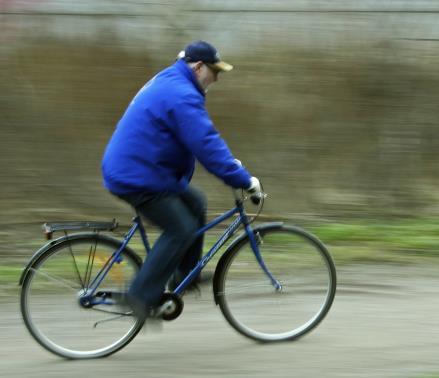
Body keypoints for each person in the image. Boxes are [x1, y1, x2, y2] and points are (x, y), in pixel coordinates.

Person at [101, 40, 262, 319]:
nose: (217, 79)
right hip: (137, 177)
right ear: (198, 67)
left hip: (147, 170)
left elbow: (198, 139)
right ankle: (138, 298)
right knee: (181, 229)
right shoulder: (181, 94)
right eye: (215, 72)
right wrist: (242, 179)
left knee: (196, 202)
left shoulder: (172, 80)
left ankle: (184, 275)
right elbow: (206, 143)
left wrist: (230, 165)